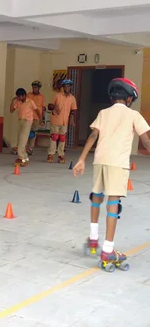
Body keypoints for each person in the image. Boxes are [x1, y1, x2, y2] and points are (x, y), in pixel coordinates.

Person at [73, 78, 150, 272]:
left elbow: (92, 136)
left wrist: (82, 159)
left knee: (96, 197)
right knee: (113, 205)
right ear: (130, 98)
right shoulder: (134, 115)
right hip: (118, 163)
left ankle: (92, 240)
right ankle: (107, 250)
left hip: (99, 160)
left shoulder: (103, 113)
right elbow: (146, 142)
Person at [47, 79, 77, 163]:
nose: (67, 88)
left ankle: (61, 154)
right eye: (66, 86)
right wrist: (54, 107)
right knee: (54, 136)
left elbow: (72, 110)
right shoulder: (57, 96)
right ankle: (51, 154)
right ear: (63, 87)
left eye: (69, 86)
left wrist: (72, 119)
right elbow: (49, 105)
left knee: (62, 138)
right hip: (56, 119)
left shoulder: (72, 98)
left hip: (65, 121)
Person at [10, 88, 37, 167]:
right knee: (21, 139)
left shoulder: (30, 102)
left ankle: (21, 157)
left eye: (20, 96)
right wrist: (13, 101)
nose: (19, 98)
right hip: (21, 121)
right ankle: (25, 158)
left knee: (22, 139)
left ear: (24, 95)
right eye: (17, 97)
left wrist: (41, 120)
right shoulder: (18, 102)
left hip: (28, 121)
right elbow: (11, 110)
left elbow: (37, 110)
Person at [26, 80, 45, 155]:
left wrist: (42, 119)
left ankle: (30, 148)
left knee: (32, 134)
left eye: (36, 87)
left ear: (39, 88)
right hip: (28, 117)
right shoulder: (28, 95)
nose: (34, 89)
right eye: (33, 87)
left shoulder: (42, 97)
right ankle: (23, 147)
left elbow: (43, 108)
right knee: (25, 133)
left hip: (36, 117)